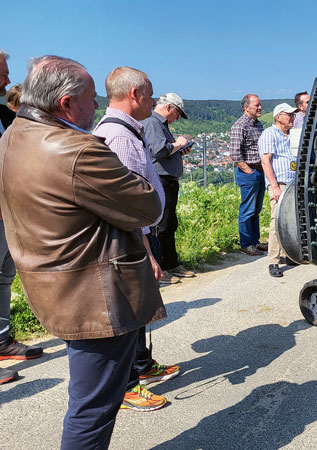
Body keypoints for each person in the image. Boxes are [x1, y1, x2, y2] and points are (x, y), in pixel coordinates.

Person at [0, 55, 164, 449]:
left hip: (55, 283)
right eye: (92, 99)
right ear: (66, 104)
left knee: (89, 401)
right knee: (93, 410)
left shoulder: (14, 134)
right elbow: (148, 206)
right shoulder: (76, 150)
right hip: (95, 295)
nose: (97, 106)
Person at [93, 67, 180, 413]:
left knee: (138, 307)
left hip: (141, 236)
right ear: (135, 95)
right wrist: (149, 255)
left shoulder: (127, 131)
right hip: (133, 240)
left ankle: (141, 367)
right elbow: (127, 207)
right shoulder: (120, 137)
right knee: (130, 309)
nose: (155, 101)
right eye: (151, 94)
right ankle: (128, 385)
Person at [0, 51, 43, 386]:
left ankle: (2, 340)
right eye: (2, 73)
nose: (6, 79)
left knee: (4, 275)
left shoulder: (3, 113)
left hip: (7, 209)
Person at [141, 93, 196, 283]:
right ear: (169, 108)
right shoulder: (153, 123)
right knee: (161, 225)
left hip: (168, 179)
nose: (177, 118)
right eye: (177, 113)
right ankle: (161, 268)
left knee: (170, 222)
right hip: (162, 179)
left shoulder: (159, 124)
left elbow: (165, 149)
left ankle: (171, 263)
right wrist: (178, 144)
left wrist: (179, 149)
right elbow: (158, 150)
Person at [259, 103, 299, 277]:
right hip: (280, 183)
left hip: (292, 182)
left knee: (289, 220)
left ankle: (286, 254)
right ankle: (273, 261)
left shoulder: (292, 135)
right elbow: (265, 161)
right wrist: (274, 186)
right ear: (278, 117)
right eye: (288, 114)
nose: (292, 117)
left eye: (293, 114)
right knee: (276, 221)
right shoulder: (270, 133)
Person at [230, 94, 268, 256]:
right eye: (257, 105)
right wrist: (248, 170)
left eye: (260, 105)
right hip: (250, 172)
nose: (260, 108)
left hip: (260, 171)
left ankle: (255, 241)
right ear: (246, 107)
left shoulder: (257, 124)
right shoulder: (240, 126)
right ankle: (246, 243)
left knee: (256, 209)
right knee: (247, 209)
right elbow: (235, 154)